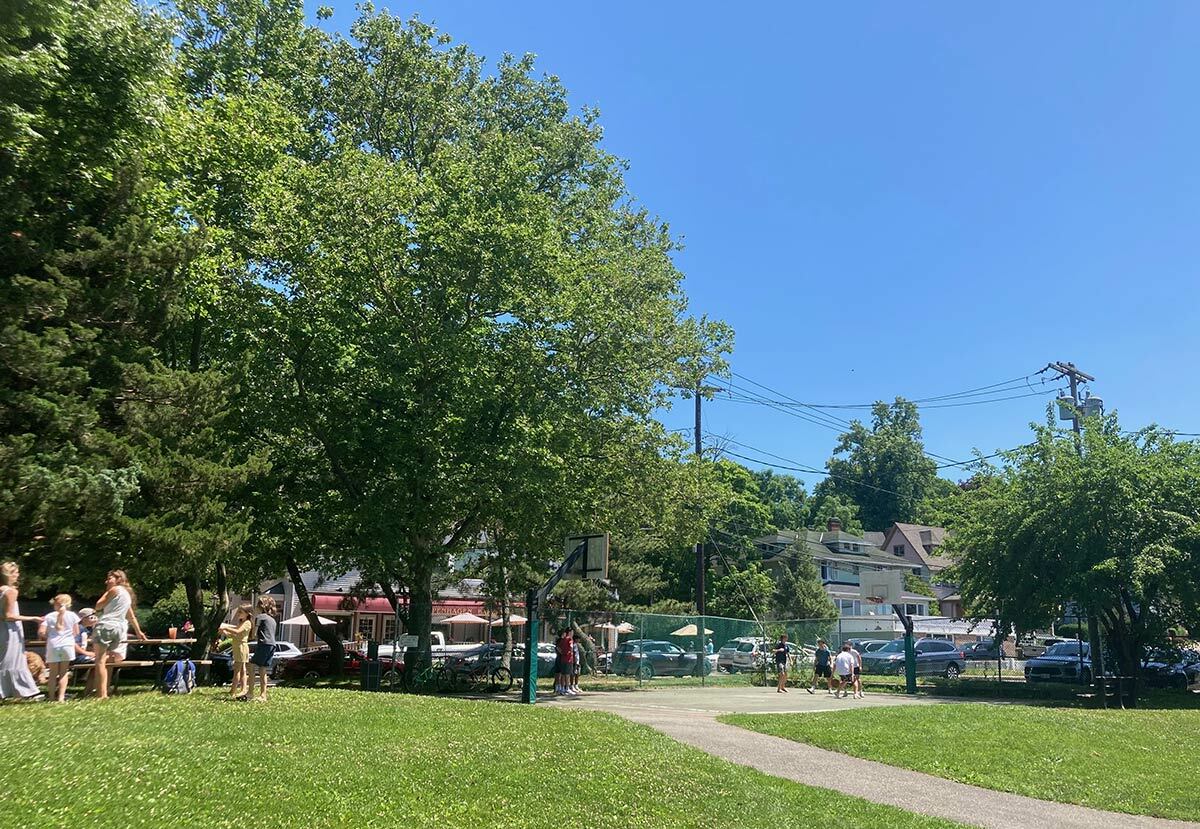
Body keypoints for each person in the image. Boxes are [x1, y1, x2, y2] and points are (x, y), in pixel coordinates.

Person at [91, 569, 147, 700]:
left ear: (118, 579)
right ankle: (105, 690)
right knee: (109, 661)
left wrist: (108, 590)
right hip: (119, 630)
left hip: (106, 626)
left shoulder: (114, 590)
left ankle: (101, 694)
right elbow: (131, 616)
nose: (106, 581)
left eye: (109, 578)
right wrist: (139, 632)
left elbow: (98, 606)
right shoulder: (126, 594)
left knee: (100, 660)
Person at [0, 561, 44, 701]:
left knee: (4, 660)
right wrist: (33, 618)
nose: (18, 575)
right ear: (10, 574)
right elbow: (8, 616)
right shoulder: (11, 591)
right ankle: (25, 691)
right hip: (9, 631)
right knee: (12, 660)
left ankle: (15, 691)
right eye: (16, 573)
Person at [38, 594, 80, 702]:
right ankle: (61, 697)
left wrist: (50, 636)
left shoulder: (48, 616)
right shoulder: (73, 616)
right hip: (67, 645)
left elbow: (41, 632)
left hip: (53, 645)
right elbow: (76, 632)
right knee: (63, 672)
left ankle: (51, 697)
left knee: (52, 673)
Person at [219, 605, 253, 700]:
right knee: (242, 669)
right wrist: (225, 633)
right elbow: (235, 636)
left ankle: (233, 690)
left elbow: (237, 632)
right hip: (237, 646)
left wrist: (225, 627)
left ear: (247, 613)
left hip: (241, 647)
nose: (238, 614)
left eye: (241, 612)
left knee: (237, 669)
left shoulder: (247, 623)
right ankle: (243, 689)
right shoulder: (242, 622)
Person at [248, 596, 278, 702]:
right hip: (272, 645)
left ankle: (250, 693)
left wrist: (250, 623)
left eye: (257, 604)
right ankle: (263, 695)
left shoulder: (260, 617)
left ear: (261, 606)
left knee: (250, 665)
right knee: (262, 669)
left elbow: (254, 634)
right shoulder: (272, 620)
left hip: (264, 644)